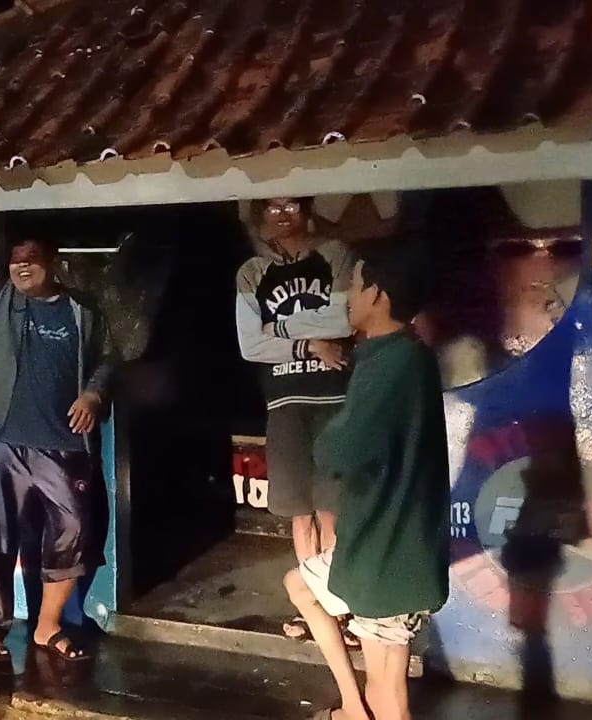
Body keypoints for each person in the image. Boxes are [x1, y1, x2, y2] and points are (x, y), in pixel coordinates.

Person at [283, 237, 450, 720]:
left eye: (354, 286)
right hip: (377, 546)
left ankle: (363, 710)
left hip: (388, 554)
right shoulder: (395, 355)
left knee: (389, 695)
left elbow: (339, 450)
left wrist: (327, 438)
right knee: (300, 584)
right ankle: (353, 708)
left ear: (377, 295)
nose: (347, 297)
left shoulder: (393, 363)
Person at [0, 213, 115, 665]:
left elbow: (107, 358)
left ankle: (47, 626)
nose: (22, 265)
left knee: (73, 532)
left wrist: (93, 393)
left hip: (65, 445)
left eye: (32, 257)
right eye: (15, 259)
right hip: (2, 442)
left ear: (53, 261)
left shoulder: (82, 310)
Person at [235, 196, 356, 640]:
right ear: (260, 217)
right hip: (284, 403)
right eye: (272, 207)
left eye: (290, 205)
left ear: (306, 211)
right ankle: (314, 608)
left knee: (333, 512)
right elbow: (250, 345)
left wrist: (278, 329)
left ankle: (341, 607)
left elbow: (342, 320)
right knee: (299, 514)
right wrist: (309, 344)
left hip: (334, 398)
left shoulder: (335, 254)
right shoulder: (251, 272)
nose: (282, 214)